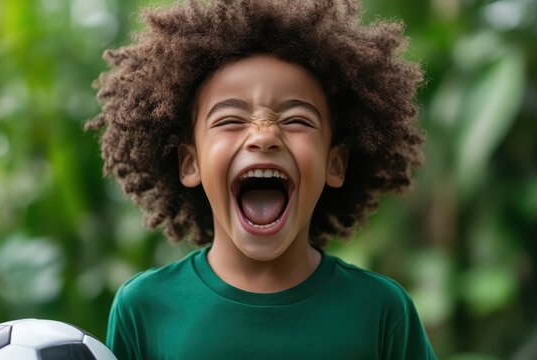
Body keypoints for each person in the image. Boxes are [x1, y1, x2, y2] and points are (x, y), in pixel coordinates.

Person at [86, 0, 435, 358]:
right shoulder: (144, 307)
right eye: (230, 119)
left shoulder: (380, 310)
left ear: (335, 164)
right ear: (190, 164)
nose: (264, 135)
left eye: (297, 119)